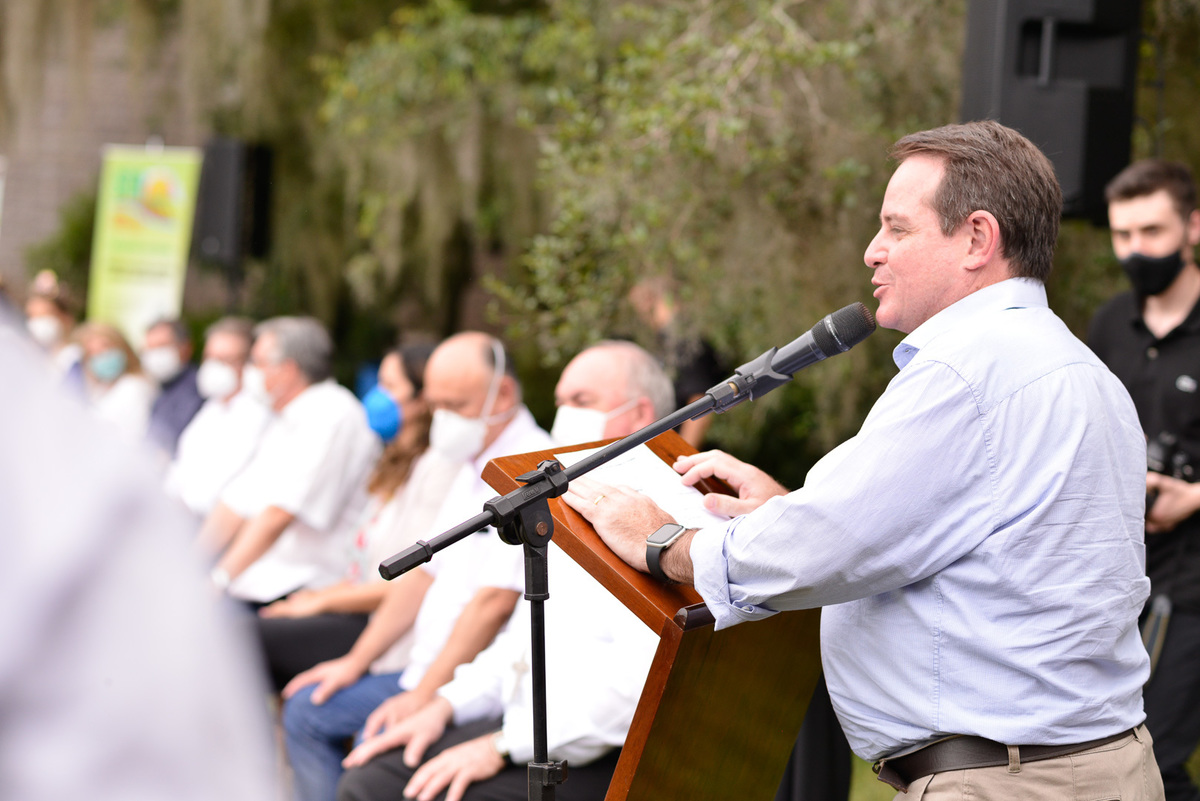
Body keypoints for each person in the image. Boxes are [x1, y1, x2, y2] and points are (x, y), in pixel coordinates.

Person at [565, 121, 1162, 800]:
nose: (872, 251)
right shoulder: (1078, 368)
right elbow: (974, 547)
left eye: (897, 229)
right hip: (1087, 767)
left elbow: (823, 547)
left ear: (977, 239)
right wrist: (788, 510)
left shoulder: (967, 373)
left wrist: (664, 542)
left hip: (1012, 782)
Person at [333, 340, 672, 801]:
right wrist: (445, 705)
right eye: (560, 401)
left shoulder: (662, 519)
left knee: (390, 786)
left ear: (640, 414)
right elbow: (522, 642)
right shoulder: (577, 499)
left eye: (581, 401)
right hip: (525, 721)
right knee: (372, 775)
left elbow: (638, 685)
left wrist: (501, 745)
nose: (564, 415)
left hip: (596, 750)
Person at [0, 311, 279, 800]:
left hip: (217, 561)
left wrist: (203, 572)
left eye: (233, 358)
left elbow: (241, 507)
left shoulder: (255, 420)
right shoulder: (208, 416)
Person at [280, 332, 553, 801]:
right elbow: (423, 573)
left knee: (369, 753)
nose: (442, 418)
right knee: (307, 710)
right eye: (436, 404)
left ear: (503, 394)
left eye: (456, 405)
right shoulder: (469, 461)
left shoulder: (530, 470)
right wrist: (355, 663)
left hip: (469, 686)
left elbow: (492, 604)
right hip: (420, 671)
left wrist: (423, 697)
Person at [1088, 159, 1200, 801]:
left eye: (1152, 232)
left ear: (1192, 227)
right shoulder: (1108, 325)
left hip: (1193, 583)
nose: (1136, 250)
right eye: (1122, 234)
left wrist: (1194, 497)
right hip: (1117, 576)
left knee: (1162, 758)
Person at [257, 341, 456, 690]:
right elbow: (363, 566)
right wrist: (313, 599)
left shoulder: (438, 468)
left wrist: (320, 603)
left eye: (390, 385)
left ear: (422, 398)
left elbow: (406, 578)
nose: (378, 396)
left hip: (382, 624)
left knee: (244, 639)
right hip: (355, 606)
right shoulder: (391, 464)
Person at [198, 316, 380, 605]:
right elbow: (236, 502)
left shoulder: (332, 414)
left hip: (307, 587)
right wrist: (190, 566)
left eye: (257, 362)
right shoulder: (286, 416)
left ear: (288, 369)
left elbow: (280, 513)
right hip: (260, 579)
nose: (249, 372)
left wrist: (217, 580)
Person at [164, 316, 273, 518]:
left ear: (248, 363)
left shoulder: (257, 414)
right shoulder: (211, 407)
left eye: (225, 359)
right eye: (209, 357)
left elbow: (221, 487)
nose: (214, 366)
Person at [76, 320, 159, 439]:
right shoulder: (99, 389)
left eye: (105, 346)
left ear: (121, 346)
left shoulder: (135, 387)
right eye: (92, 353)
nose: (101, 356)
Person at [143, 316, 205, 457]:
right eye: (150, 348)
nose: (155, 354)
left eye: (162, 346)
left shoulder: (195, 389)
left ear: (186, 348)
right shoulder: (164, 387)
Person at [23, 269, 84, 391]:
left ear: (66, 318)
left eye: (45, 315)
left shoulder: (77, 361)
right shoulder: (37, 360)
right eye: (32, 316)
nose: (38, 322)